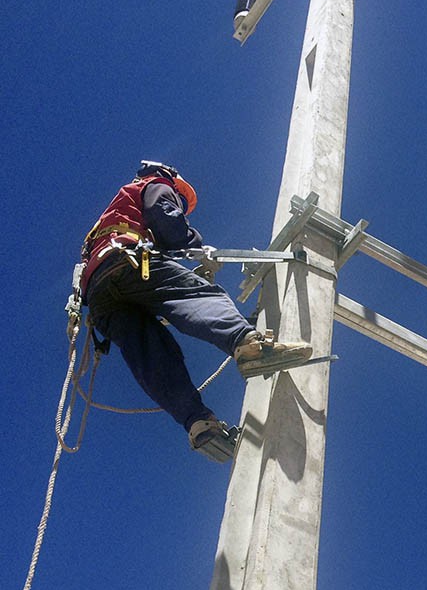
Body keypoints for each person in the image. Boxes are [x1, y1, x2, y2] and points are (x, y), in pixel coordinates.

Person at [76, 161, 312, 462]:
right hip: (129, 262)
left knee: (153, 354)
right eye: (181, 197)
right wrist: (195, 245)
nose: (180, 201)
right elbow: (167, 219)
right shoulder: (155, 185)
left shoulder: (107, 218)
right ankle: (247, 344)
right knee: (198, 293)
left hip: (100, 295)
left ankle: (198, 422)